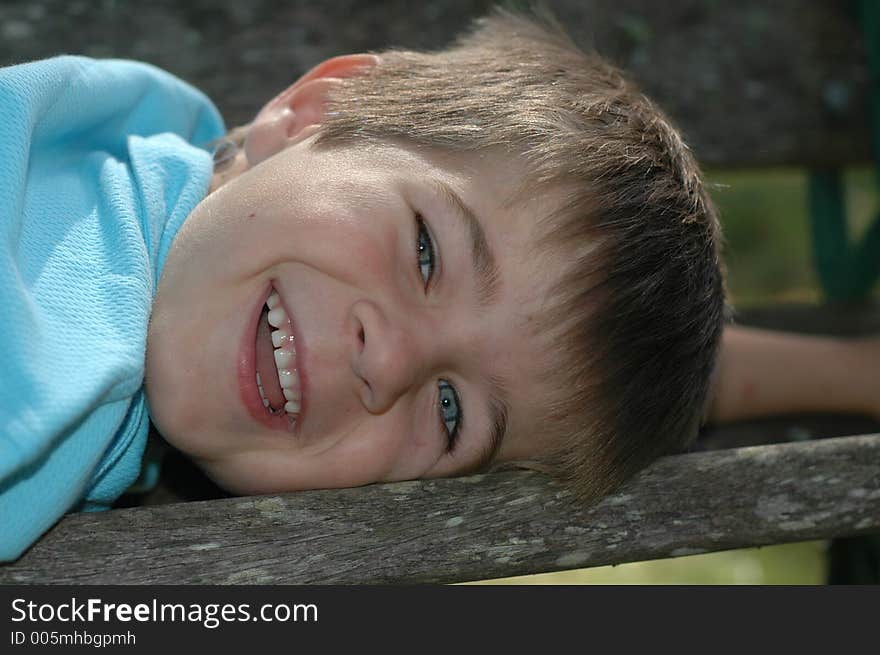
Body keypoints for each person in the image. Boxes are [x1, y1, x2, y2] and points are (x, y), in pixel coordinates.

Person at [1, 9, 876, 562]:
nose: (395, 359)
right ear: (317, 111)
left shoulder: (148, 150)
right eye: (425, 253)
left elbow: (551, 344)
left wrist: (850, 374)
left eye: (452, 411)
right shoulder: (60, 371)